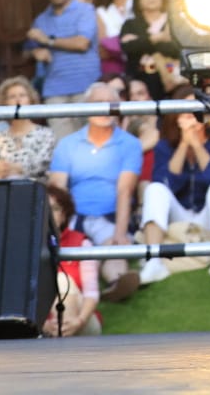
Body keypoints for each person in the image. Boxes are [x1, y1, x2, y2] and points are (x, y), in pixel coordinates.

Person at [138, 86, 210, 286]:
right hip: (179, 219)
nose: (191, 117)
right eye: (185, 112)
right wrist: (184, 145)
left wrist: (196, 145)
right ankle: (153, 262)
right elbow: (167, 184)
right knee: (154, 189)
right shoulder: (164, 145)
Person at [48, 82, 141, 302]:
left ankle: (116, 281)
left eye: (110, 103)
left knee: (112, 246)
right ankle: (85, 285)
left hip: (108, 215)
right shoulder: (67, 144)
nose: (105, 109)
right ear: (86, 107)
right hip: (73, 215)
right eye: (98, 103)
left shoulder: (130, 144)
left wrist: (120, 233)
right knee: (78, 248)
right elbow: (57, 190)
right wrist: (56, 228)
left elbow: (124, 190)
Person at [28, 0, 101, 139]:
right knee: (63, 148)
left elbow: (82, 43)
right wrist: (35, 52)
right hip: (54, 91)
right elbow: (32, 48)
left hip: (86, 87)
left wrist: (48, 40)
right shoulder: (41, 20)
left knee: (90, 142)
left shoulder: (85, 10)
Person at [42, 184, 102, 336]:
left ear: (64, 215)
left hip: (82, 320)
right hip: (41, 324)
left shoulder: (81, 242)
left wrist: (80, 321)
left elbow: (91, 293)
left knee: (62, 280)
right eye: (44, 209)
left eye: (55, 209)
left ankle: (62, 345)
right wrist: (42, 324)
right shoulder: (25, 246)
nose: (49, 214)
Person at [118, 0, 184, 99]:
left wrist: (142, 41)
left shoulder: (174, 22)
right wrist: (158, 38)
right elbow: (128, 47)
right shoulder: (130, 24)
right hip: (139, 89)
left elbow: (176, 49)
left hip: (173, 88)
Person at [0, 77, 57, 181]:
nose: (18, 100)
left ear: (30, 100)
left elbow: (44, 164)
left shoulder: (46, 134)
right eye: (12, 97)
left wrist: (19, 168)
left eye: (22, 95)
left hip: (36, 190)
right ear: (5, 103)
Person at [95, 0, 136, 79]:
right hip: (115, 72)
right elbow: (102, 51)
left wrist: (114, 44)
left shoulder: (142, 3)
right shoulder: (100, 11)